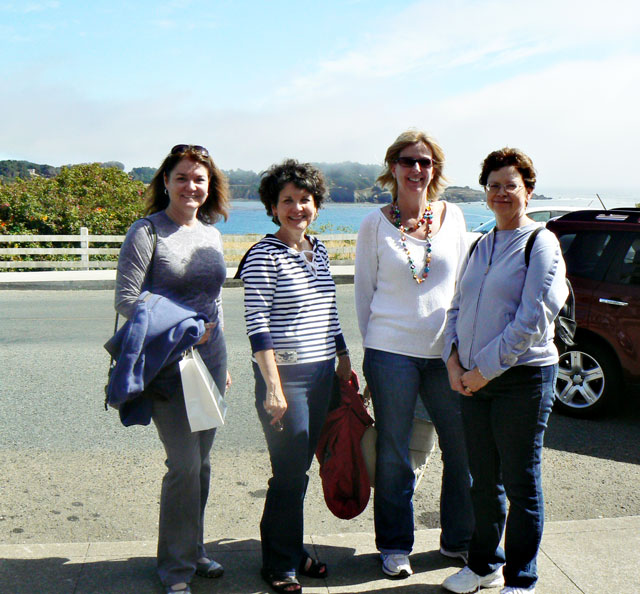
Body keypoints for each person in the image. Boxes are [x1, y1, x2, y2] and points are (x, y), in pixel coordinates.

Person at [441, 148, 568, 594]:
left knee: (520, 482)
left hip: (522, 381)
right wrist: (453, 362)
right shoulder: (480, 244)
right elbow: (456, 307)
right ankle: (483, 567)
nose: (500, 193)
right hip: (473, 379)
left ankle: (522, 578)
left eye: (509, 185)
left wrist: (483, 372)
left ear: (527, 191)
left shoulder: (541, 243)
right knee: (482, 481)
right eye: (493, 186)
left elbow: (532, 321)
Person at [354, 130, 474, 579]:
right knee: (394, 453)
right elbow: (364, 295)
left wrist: (462, 347)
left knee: (462, 449)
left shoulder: (455, 216)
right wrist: (373, 353)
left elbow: (464, 287)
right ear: (393, 168)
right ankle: (394, 546)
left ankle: (458, 541)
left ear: (435, 169)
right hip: (390, 353)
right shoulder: (374, 224)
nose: (416, 169)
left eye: (425, 161)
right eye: (407, 161)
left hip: (447, 353)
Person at [115, 144, 231, 594]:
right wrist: (185, 327)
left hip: (210, 359)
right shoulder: (146, 233)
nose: (190, 186)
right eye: (181, 177)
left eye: (198, 179)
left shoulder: (212, 234)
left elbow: (217, 300)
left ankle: (194, 547)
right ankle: (175, 569)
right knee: (182, 465)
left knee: (201, 466)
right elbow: (127, 299)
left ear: (209, 185)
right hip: (167, 360)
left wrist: (223, 358)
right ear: (165, 181)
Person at [236, 159, 352, 594]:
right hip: (286, 379)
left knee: (300, 470)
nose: (297, 208)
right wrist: (273, 387)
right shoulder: (262, 256)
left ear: (316, 205)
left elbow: (328, 311)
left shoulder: (318, 249)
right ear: (272, 207)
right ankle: (279, 563)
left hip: (322, 374)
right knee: (288, 473)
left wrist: (342, 357)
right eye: (287, 200)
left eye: (305, 200)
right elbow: (257, 326)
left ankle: (289, 548)